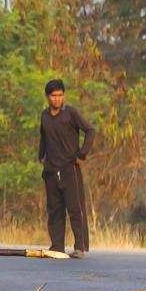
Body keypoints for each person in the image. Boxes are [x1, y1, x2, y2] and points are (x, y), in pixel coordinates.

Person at [38, 78, 97, 258]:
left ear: (64, 96)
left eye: (60, 95)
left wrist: (82, 154)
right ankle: (56, 247)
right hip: (50, 169)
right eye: (54, 96)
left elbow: (90, 130)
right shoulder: (45, 116)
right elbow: (43, 137)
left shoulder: (70, 113)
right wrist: (41, 156)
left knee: (75, 208)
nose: (57, 99)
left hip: (69, 168)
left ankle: (80, 247)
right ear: (48, 97)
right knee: (54, 210)